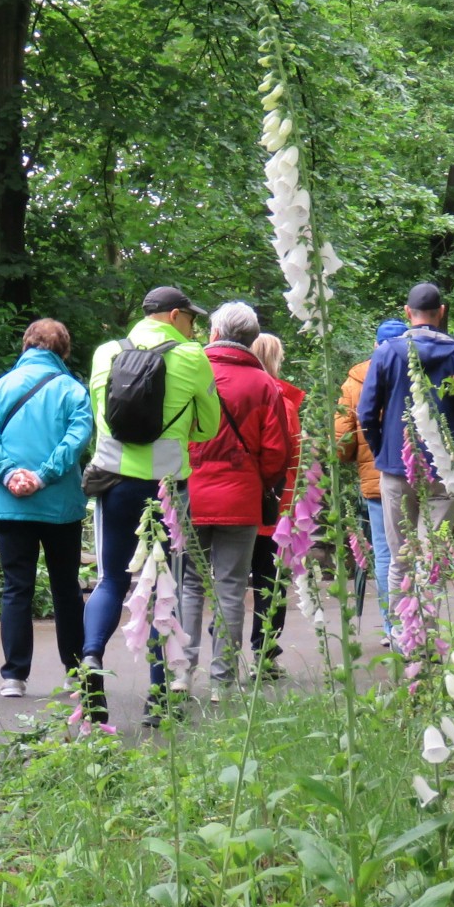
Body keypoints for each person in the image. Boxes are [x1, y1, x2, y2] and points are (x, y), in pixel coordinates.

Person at [77, 286, 220, 725]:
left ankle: (90, 660)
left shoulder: (106, 353)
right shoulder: (193, 356)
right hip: (166, 486)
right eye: (191, 319)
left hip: (113, 480)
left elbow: (102, 416)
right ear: (175, 316)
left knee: (109, 581)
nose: (193, 327)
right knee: (162, 586)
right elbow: (209, 425)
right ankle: (159, 696)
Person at [0, 318, 94, 698]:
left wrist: (10, 475)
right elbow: (78, 438)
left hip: (10, 507)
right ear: (64, 351)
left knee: (16, 588)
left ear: (26, 346)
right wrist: (42, 476)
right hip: (60, 507)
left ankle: (14, 676)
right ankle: (75, 670)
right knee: (65, 588)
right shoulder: (72, 390)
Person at [182, 303, 293, 697]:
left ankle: (181, 673)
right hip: (241, 500)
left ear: (213, 334)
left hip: (190, 495)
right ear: (250, 339)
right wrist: (255, 481)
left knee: (190, 585)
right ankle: (222, 682)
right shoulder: (264, 385)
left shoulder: (190, 371)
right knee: (230, 587)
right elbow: (277, 451)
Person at [357, 283, 454, 604]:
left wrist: (383, 450)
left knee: (400, 561)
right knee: (431, 562)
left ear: (407, 312)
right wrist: (451, 444)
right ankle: (428, 645)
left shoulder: (386, 353)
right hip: (445, 475)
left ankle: (404, 645)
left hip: (396, 471)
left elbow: (366, 413)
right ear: (441, 313)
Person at [336, 319, 406, 645]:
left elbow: (342, 438)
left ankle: (392, 628)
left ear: (376, 345)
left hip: (375, 478)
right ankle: (415, 625)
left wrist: (356, 455)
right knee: (415, 551)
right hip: (414, 475)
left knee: (384, 553)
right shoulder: (415, 368)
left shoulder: (355, 381)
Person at [247, 333, 304, 674]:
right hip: (276, 504)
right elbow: (290, 453)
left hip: (236, 502)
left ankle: (221, 651)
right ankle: (264, 652)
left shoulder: (233, 390)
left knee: (231, 577)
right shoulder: (283, 401)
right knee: (270, 580)